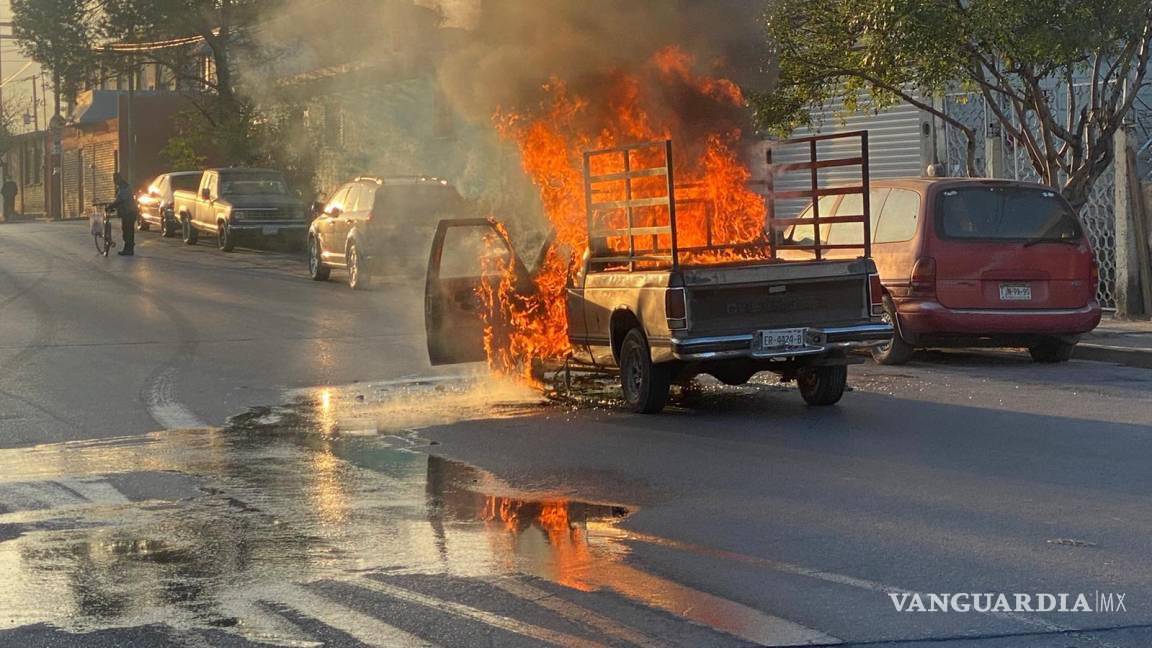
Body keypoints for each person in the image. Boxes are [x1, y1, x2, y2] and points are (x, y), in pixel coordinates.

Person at [107, 172, 139, 256]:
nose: (114, 182)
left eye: (115, 180)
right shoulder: (122, 187)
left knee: (128, 231)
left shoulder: (124, 187)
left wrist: (111, 206)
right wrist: (113, 207)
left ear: (119, 179)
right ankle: (128, 249)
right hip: (128, 212)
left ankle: (129, 250)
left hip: (129, 212)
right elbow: (119, 201)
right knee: (127, 230)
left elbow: (120, 200)